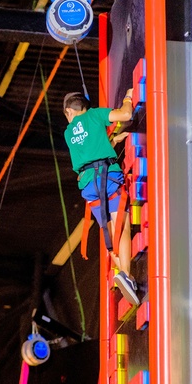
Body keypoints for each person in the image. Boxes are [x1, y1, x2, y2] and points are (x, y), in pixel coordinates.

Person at [63, 90, 140, 306]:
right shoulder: (94, 115)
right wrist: (127, 97)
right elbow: (125, 115)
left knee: (108, 232)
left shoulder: (68, 133)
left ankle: (127, 276)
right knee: (121, 227)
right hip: (107, 178)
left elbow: (90, 151)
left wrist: (113, 141)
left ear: (70, 111)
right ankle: (125, 274)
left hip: (89, 186)